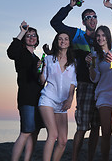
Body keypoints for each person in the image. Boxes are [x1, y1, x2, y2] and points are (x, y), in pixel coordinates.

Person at [50, 0, 112, 161]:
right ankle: (75, 158)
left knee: (97, 128)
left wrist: (111, 7)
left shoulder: (102, 40)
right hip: (85, 84)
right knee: (82, 126)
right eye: (88, 17)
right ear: (83, 21)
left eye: (94, 16)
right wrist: (70, 6)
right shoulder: (77, 35)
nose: (92, 19)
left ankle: (89, 158)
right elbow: (55, 23)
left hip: (102, 87)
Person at [7, 21, 43, 161]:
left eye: (33, 35)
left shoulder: (38, 59)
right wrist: (22, 31)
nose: (31, 37)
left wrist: (42, 69)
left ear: (37, 39)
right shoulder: (20, 53)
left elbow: (41, 81)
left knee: (34, 133)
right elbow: (10, 53)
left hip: (38, 99)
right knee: (25, 132)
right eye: (28, 35)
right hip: (26, 98)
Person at [87, 25, 112, 161]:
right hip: (104, 95)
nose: (100, 38)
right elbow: (95, 78)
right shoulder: (94, 55)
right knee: (106, 132)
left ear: (108, 37)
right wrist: (91, 64)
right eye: (98, 35)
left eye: (103, 35)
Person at [38, 32, 77, 161]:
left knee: (63, 140)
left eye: (66, 39)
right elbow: (42, 81)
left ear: (69, 42)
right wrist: (42, 67)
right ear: (56, 41)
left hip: (62, 102)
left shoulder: (73, 62)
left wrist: (70, 98)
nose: (63, 41)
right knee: (53, 134)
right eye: (60, 39)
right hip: (48, 98)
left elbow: (73, 83)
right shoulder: (49, 59)